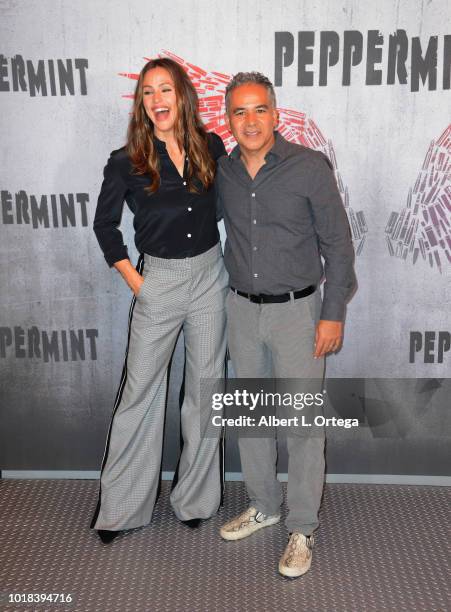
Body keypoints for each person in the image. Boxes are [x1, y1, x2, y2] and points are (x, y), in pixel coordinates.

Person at [216, 72, 356, 577]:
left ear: (275, 113)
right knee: (252, 419)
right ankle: (264, 505)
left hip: (300, 313)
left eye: (259, 110)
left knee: (301, 426)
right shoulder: (224, 172)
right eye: (239, 111)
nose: (250, 121)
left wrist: (332, 312)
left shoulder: (308, 167)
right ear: (227, 118)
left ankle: (301, 527)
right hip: (241, 310)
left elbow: (339, 245)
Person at [91, 58, 228, 543]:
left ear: (181, 96)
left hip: (211, 276)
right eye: (147, 92)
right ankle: (122, 509)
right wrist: (137, 282)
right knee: (140, 394)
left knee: (206, 390)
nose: (157, 100)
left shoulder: (210, 146)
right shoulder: (125, 160)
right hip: (159, 282)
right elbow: (105, 226)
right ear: (141, 103)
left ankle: (196, 500)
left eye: (165, 89)